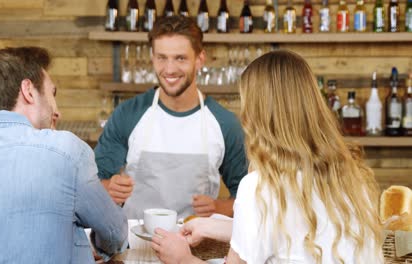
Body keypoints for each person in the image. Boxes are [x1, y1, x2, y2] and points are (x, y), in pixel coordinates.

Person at [151, 50, 384, 263]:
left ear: (258, 116)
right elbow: (293, 234)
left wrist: (181, 258)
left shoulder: (259, 187)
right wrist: (213, 227)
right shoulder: (351, 178)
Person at [0, 47, 128, 264]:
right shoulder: (66, 151)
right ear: (28, 91)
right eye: (52, 93)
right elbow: (115, 234)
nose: (56, 110)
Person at [94, 16, 247, 219]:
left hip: (196, 247)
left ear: (200, 59)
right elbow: (93, 182)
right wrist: (109, 188)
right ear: (152, 57)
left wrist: (218, 208)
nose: (169, 69)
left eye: (180, 58)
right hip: (135, 243)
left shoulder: (224, 124)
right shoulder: (128, 114)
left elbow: (248, 199)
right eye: (162, 57)